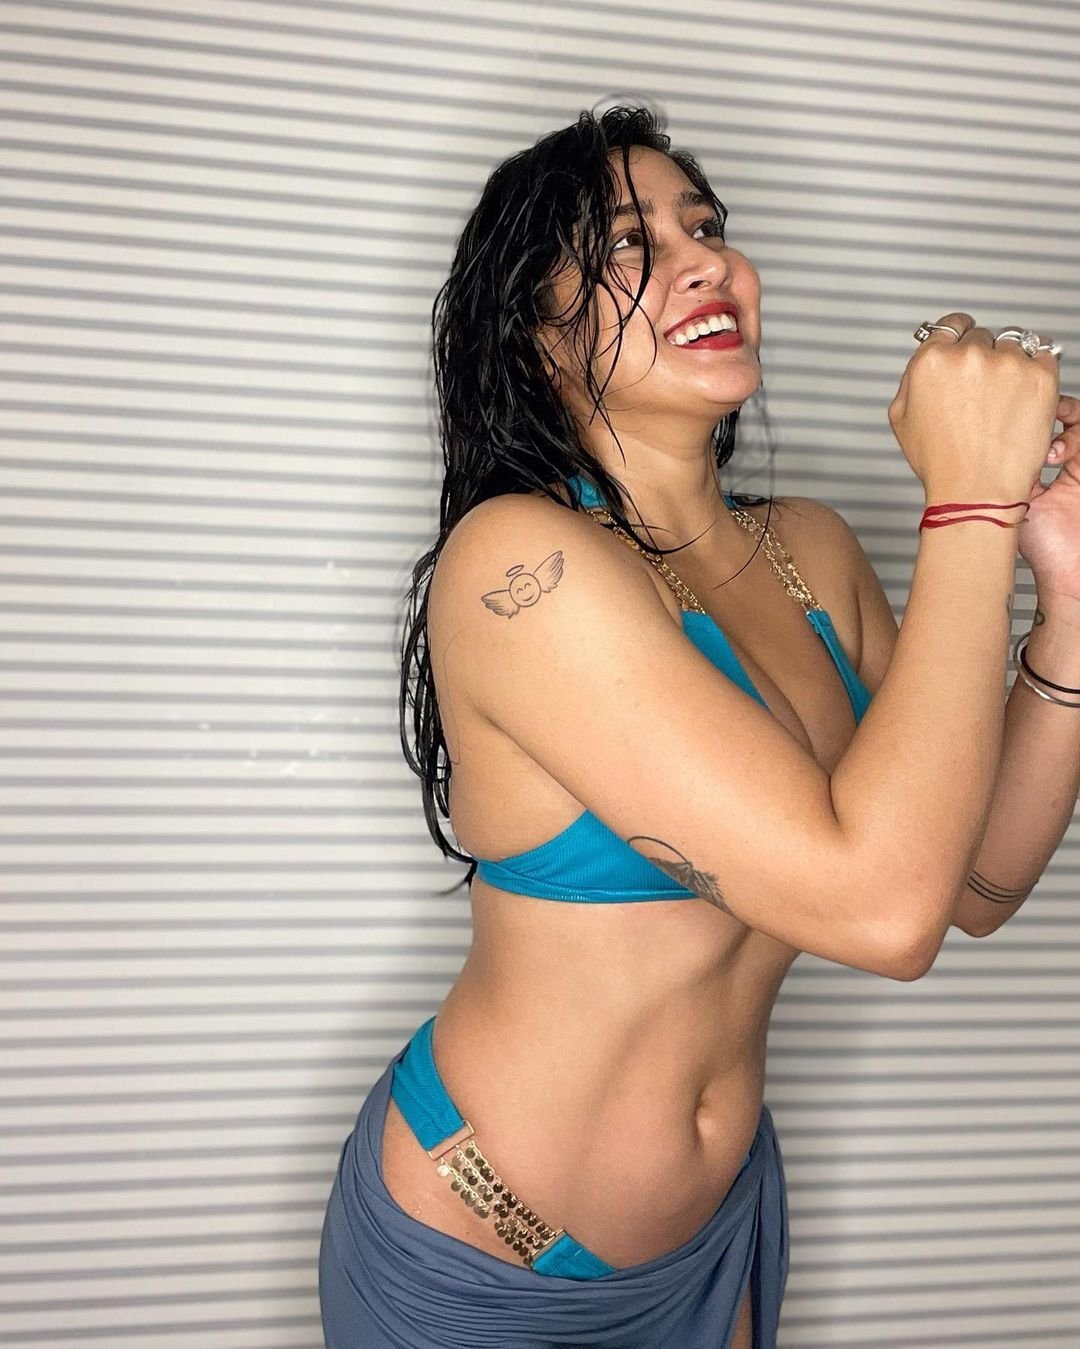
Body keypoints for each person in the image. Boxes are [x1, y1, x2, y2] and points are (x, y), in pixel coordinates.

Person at [318, 103, 1060, 1348]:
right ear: (536, 335)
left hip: (716, 1228)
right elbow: (882, 915)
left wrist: (1068, 597)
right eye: (630, 243)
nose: (703, 259)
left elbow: (969, 880)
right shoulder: (520, 563)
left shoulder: (812, 548)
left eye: (705, 226)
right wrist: (972, 503)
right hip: (481, 1257)